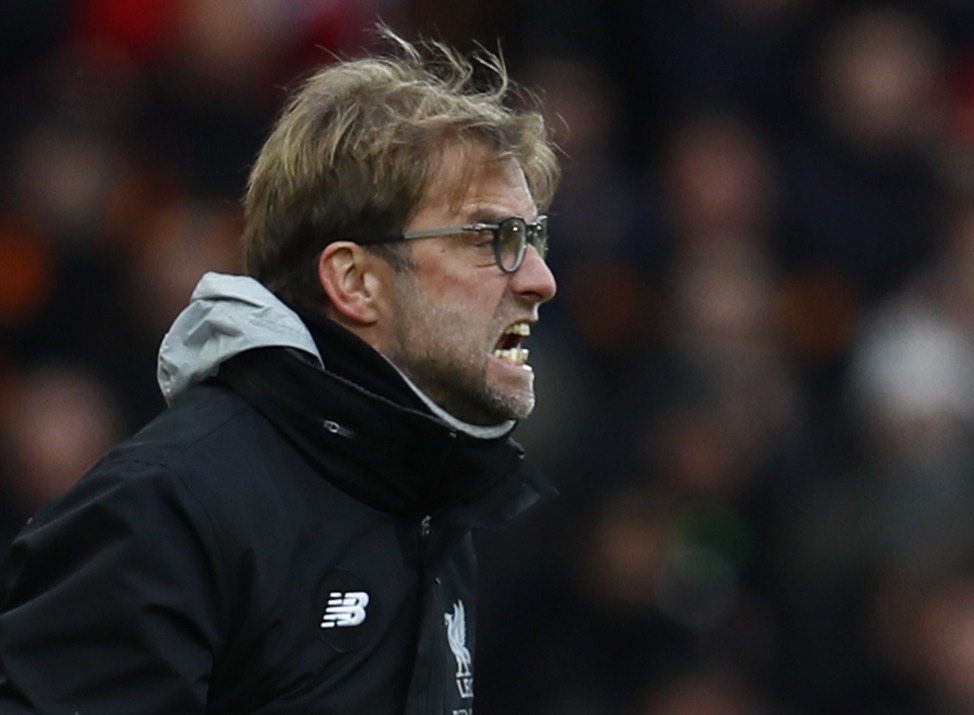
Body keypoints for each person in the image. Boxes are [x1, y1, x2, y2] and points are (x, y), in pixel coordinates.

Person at [0, 29, 559, 713]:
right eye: (490, 238)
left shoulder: (430, 509)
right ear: (355, 280)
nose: (540, 278)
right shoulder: (164, 512)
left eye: (533, 238)